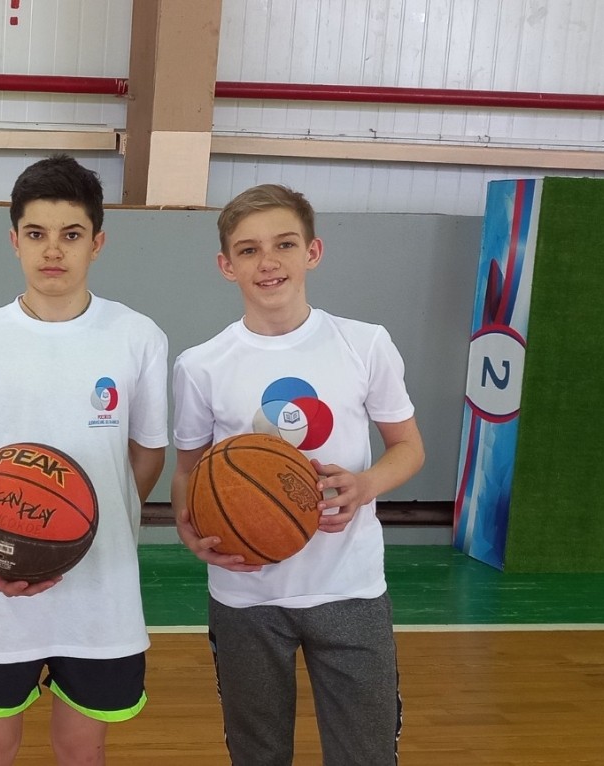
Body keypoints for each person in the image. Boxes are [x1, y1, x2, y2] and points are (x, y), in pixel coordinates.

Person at [0, 154, 169, 765]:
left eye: (71, 234)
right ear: (14, 240)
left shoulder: (138, 337)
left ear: (98, 243)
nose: (52, 250)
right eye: (36, 233)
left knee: (82, 748)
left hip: (102, 592)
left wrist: (81, 526)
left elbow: (146, 455)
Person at [170, 183, 425, 766]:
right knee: (257, 755)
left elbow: (408, 448)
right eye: (248, 250)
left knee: (366, 756)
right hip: (245, 592)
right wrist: (189, 529)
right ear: (226, 265)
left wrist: (366, 485)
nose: (268, 261)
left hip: (350, 586)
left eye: (284, 244)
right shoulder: (201, 365)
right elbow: (187, 472)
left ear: (313, 252)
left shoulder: (364, 344)